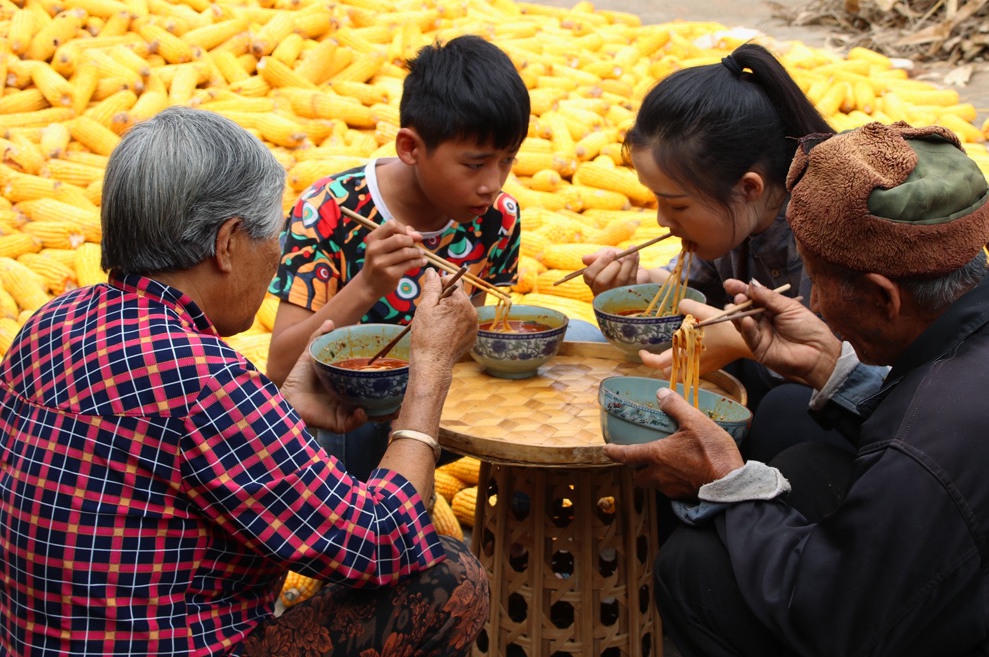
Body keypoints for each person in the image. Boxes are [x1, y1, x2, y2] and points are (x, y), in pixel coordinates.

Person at [604, 122, 989, 656]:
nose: (816, 307)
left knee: (696, 570)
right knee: (801, 442)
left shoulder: (936, 434)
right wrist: (836, 372)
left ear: (883, 296)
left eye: (820, 285)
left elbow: (829, 616)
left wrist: (728, 481)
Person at [0, 107, 489, 657]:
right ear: (228, 243)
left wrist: (276, 405)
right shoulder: (203, 378)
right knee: (449, 578)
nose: (277, 253)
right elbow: (383, 539)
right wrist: (430, 365)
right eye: (272, 234)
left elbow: (164, 467)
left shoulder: (46, 324)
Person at [581, 41, 885, 464]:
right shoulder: (735, 222)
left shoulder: (826, 237)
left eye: (678, 204)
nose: (662, 222)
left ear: (748, 188)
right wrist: (641, 283)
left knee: (783, 410)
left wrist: (744, 344)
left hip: (845, 427)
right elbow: (694, 285)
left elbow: (858, 373)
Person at [266, 34, 530, 479]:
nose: (493, 183)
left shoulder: (498, 218)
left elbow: (473, 344)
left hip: (445, 404)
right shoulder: (328, 209)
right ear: (409, 147)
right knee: (335, 435)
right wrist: (367, 286)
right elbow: (281, 369)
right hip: (356, 419)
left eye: (506, 161)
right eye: (475, 163)